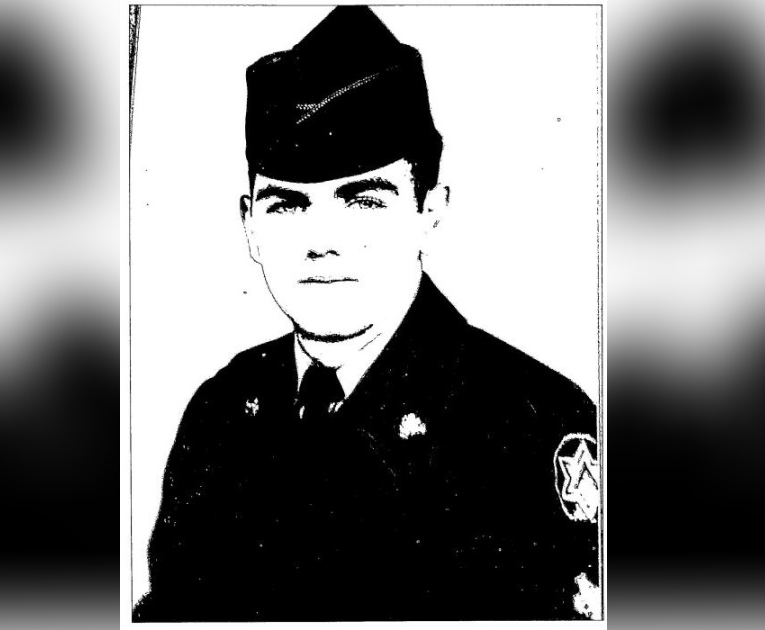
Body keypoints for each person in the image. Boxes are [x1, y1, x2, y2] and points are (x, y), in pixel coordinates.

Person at [134, 6, 598, 621]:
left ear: (430, 210)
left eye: (363, 201)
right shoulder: (221, 413)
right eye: (286, 205)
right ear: (248, 225)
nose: (322, 243)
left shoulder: (528, 425)